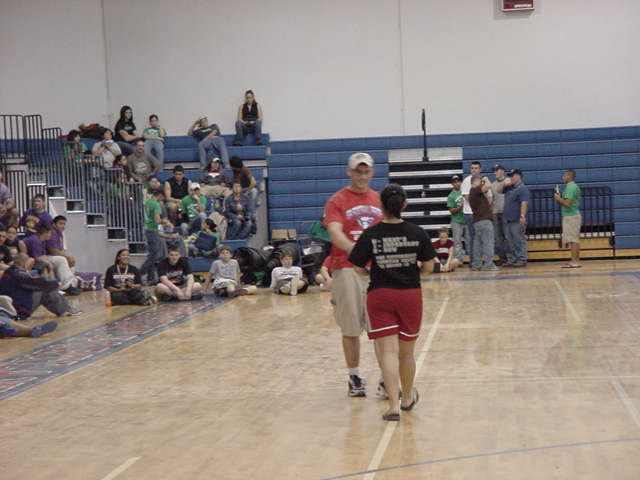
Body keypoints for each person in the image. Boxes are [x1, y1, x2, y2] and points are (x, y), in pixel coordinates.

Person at [349, 184, 436, 421]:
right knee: (406, 353)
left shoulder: (371, 234)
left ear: (381, 206)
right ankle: (407, 398)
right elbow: (429, 266)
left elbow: (357, 266)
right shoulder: (417, 233)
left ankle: (393, 406)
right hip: (410, 295)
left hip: (380, 294)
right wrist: (412, 272)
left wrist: (373, 273)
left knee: (388, 352)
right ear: (404, 205)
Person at [324, 152, 383, 398]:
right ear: (349, 172)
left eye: (366, 171)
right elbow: (335, 232)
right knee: (350, 327)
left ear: (372, 172)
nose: (362, 176)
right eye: (358, 171)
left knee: (382, 328)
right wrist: (356, 251)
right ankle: (354, 376)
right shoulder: (337, 201)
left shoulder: (379, 199)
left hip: (377, 269)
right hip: (347, 266)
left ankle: (386, 378)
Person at [0, 253, 81, 319]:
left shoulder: (8, 273)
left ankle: (66, 308)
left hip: (10, 308)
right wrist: (57, 283)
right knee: (44, 291)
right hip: (20, 310)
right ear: (26, 264)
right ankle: (66, 309)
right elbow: (42, 282)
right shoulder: (20, 275)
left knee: (42, 288)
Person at [461, 162, 492, 266]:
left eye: (476, 168)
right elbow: (467, 197)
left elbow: (490, 197)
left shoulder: (482, 181)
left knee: (481, 240)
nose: (474, 170)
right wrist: (479, 204)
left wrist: (484, 208)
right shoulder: (467, 181)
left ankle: (479, 262)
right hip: (470, 213)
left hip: (482, 215)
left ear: (480, 169)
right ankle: (474, 261)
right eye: (472, 168)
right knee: (473, 239)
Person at [496, 168, 529, 267]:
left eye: (512, 176)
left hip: (516, 219)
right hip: (508, 219)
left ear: (518, 176)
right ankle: (512, 259)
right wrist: (504, 184)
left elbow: (524, 203)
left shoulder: (523, 189)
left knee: (518, 240)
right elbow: (498, 190)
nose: (510, 178)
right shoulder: (509, 187)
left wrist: (522, 216)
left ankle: (522, 259)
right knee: (510, 242)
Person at [469, 175, 499, 271]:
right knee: (488, 243)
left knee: (477, 244)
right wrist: (485, 179)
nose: (481, 182)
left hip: (477, 221)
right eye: (479, 181)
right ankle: (488, 265)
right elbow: (488, 186)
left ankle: (476, 265)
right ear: (474, 182)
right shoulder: (475, 189)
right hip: (484, 221)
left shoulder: (472, 192)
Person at [46, 216, 82, 295]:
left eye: (64, 224)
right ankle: (66, 287)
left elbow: (60, 250)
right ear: (54, 225)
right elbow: (53, 251)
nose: (63, 226)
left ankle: (72, 284)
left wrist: (68, 257)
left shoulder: (60, 233)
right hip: (46, 256)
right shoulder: (52, 233)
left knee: (71, 261)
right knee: (62, 260)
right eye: (60, 223)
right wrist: (67, 256)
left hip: (53, 257)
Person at [555, 169, 582, 268]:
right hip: (571, 215)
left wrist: (558, 198)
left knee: (573, 240)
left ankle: (574, 262)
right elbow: (565, 202)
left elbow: (567, 203)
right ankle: (575, 260)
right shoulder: (572, 187)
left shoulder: (570, 187)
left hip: (571, 216)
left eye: (564, 176)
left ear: (569, 176)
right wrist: (559, 199)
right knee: (573, 239)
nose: (563, 178)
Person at [140, 189, 165, 285]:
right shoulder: (156, 204)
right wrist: (165, 222)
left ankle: (151, 278)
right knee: (153, 256)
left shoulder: (148, 202)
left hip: (147, 229)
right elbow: (158, 220)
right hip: (152, 231)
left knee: (152, 255)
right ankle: (139, 273)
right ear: (160, 195)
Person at [491, 164, 508, 265]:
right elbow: (491, 199)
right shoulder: (493, 184)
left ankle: (513, 257)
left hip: (506, 212)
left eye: (496, 170)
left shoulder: (509, 181)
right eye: (494, 171)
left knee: (508, 236)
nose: (495, 173)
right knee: (498, 237)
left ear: (502, 171)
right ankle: (502, 258)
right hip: (495, 212)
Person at [446, 175, 465, 265]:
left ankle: (472, 259)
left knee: (470, 240)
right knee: (457, 241)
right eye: (455, 182)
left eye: (459, 181)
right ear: (452, 184)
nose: (457, 184)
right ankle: (458, 261)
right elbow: (451, 210)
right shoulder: (451, 196)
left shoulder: (465, 191)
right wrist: (460, 207)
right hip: (456, 221)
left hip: (466, 219)